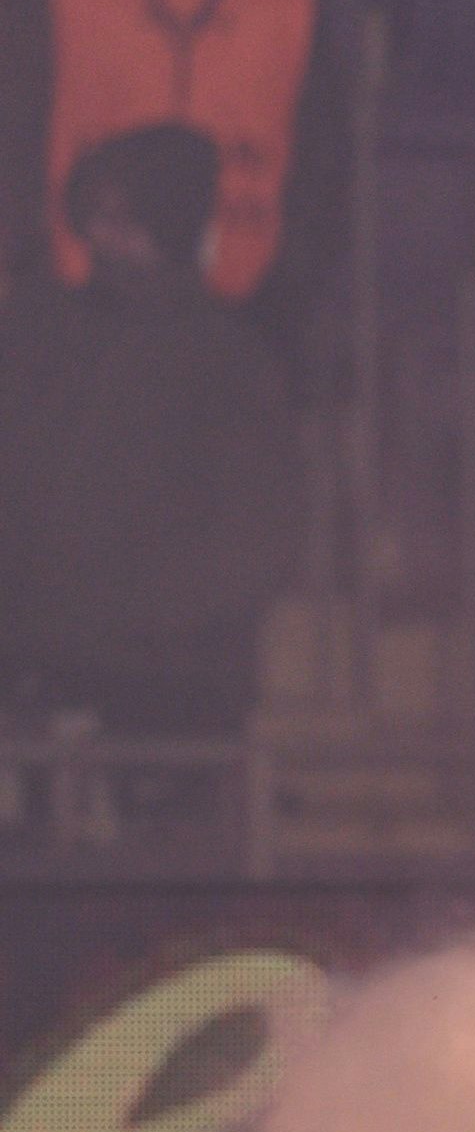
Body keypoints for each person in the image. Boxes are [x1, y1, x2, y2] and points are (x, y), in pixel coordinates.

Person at [0, 122, 303, 808]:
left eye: (127, 218)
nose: (106, 236)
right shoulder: (37, 335)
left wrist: (132, 627)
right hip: (33, 673)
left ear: (169, 222)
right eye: (97, 215)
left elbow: (252, 541)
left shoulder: (230, 362)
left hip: (170, 688)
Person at [8, 0, 344, 349]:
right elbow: (18, 144)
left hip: (246, 319)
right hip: (79, 317)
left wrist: (290, 306)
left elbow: (325, 171)